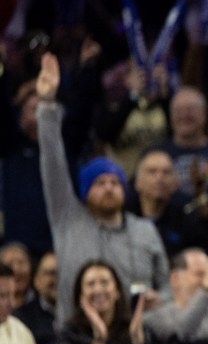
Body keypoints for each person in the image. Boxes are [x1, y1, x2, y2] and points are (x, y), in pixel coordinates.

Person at [36, 53, 170, 325]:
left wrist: (162, 301)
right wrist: (47, 106)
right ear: (85, 192)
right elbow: (52, 164)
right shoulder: (68, 220)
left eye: (115, 182)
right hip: (77, 342)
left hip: (134, 340)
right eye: (99, 183)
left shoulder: (145, 231)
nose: (109, 188)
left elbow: (166, 286)